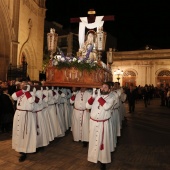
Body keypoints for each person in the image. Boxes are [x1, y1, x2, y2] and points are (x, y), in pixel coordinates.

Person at [86, 82, 115, 170]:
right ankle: (93, 158)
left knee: (103, 143)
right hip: (93, 123)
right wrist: (92, 97)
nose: (103, 88)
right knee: (93, 141)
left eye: (106, 87)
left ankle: (103, 161)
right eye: (102, 87)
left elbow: (106, 107)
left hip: (103, 124)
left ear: (109, 90)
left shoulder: (111, 98)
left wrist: (98, 97)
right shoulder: (95, 96)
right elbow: (87, 106)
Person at [11, 82, 36, 162]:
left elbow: (31, 100)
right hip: (18, 114)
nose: (22, 86)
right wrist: (23, 91)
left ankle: (25, 151)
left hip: (26, 115)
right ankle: (20, 148)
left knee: (24, 133)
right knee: (18, 132)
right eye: (21, 85)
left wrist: (27, 91)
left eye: (24, 85)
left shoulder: (32, 93)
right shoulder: (20, 93)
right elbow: (13, 97)